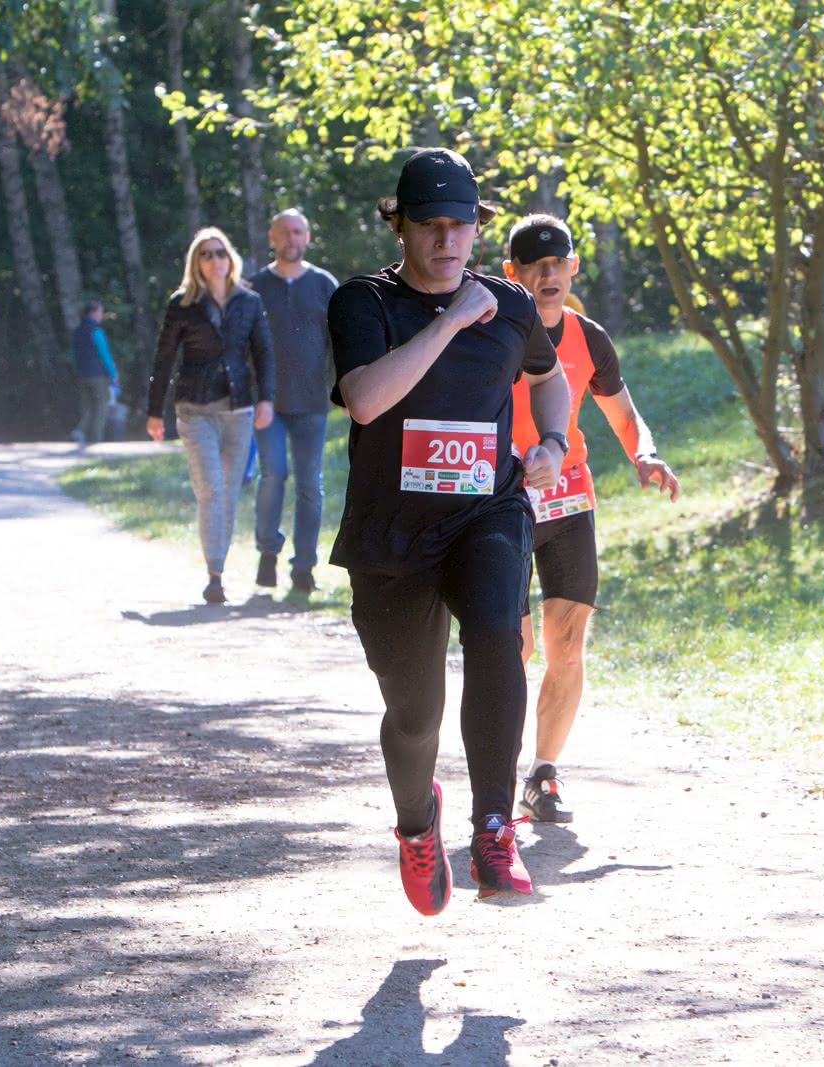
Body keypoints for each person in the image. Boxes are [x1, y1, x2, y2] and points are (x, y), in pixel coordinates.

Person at [328, 148, 571, 914]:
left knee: (500, 631)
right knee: (413, 709)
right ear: (397, 224)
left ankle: (495, 829)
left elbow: (550, 376)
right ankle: (414, 821)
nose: (446, 240)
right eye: (429, 225)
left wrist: (553, 443)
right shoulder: (362, 302)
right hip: (393, 534)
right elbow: (366, 400)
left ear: (477, 228)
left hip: (485, 513)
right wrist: (451, 320)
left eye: (460, 225)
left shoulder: (512, 305)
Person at [503, 215, 680, 824]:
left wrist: (646, 454)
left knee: (568, 647)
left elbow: (623, 411)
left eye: (558, 264)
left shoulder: (588, 337)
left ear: (573, 268)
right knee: (513, 647)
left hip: (569, 502)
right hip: (502, 501)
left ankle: (542, 774)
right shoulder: (494, 331)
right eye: (535, 266)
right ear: (514, 274)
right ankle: (495, 770)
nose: (548, 275)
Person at [146, 227, 276, 605]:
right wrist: (154, 411)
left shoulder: (249, 301)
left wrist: (267, 399)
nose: (215, 260)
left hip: (238, 408)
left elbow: (264, 353)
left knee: (229, 491)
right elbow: (164, 359)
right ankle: (214, 574)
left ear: (230, 258)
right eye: (206, 254)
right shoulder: (181, 304)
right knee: (211, 490)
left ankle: (217, 571)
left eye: (220, 252)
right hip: (195, 408)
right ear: (196, 263)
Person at [248, 209, 339, 594]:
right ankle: (267, 554)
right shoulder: (254, 287)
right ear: (272, 237)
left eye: (298, 231)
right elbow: (242, 346)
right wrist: (252, 396)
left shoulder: (323, 285)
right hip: (267, 403)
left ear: (308, 237)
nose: (292, 238)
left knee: (309, 486)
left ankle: (304, 568)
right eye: (285, 232)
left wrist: (343, 389)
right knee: (272, 477)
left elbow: (340, 344)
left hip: (312, 402)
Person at [70, 301, 118, 447]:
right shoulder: (96, 330)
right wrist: (113, 374)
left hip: (81, 373)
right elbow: (104, 354)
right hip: (98, 375)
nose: (101, 315)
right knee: (101, 406)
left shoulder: (78, 331)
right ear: (93, 313)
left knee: (88, 406)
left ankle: (81, 432)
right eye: (100, 312)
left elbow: (73, 353)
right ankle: (95, 439)